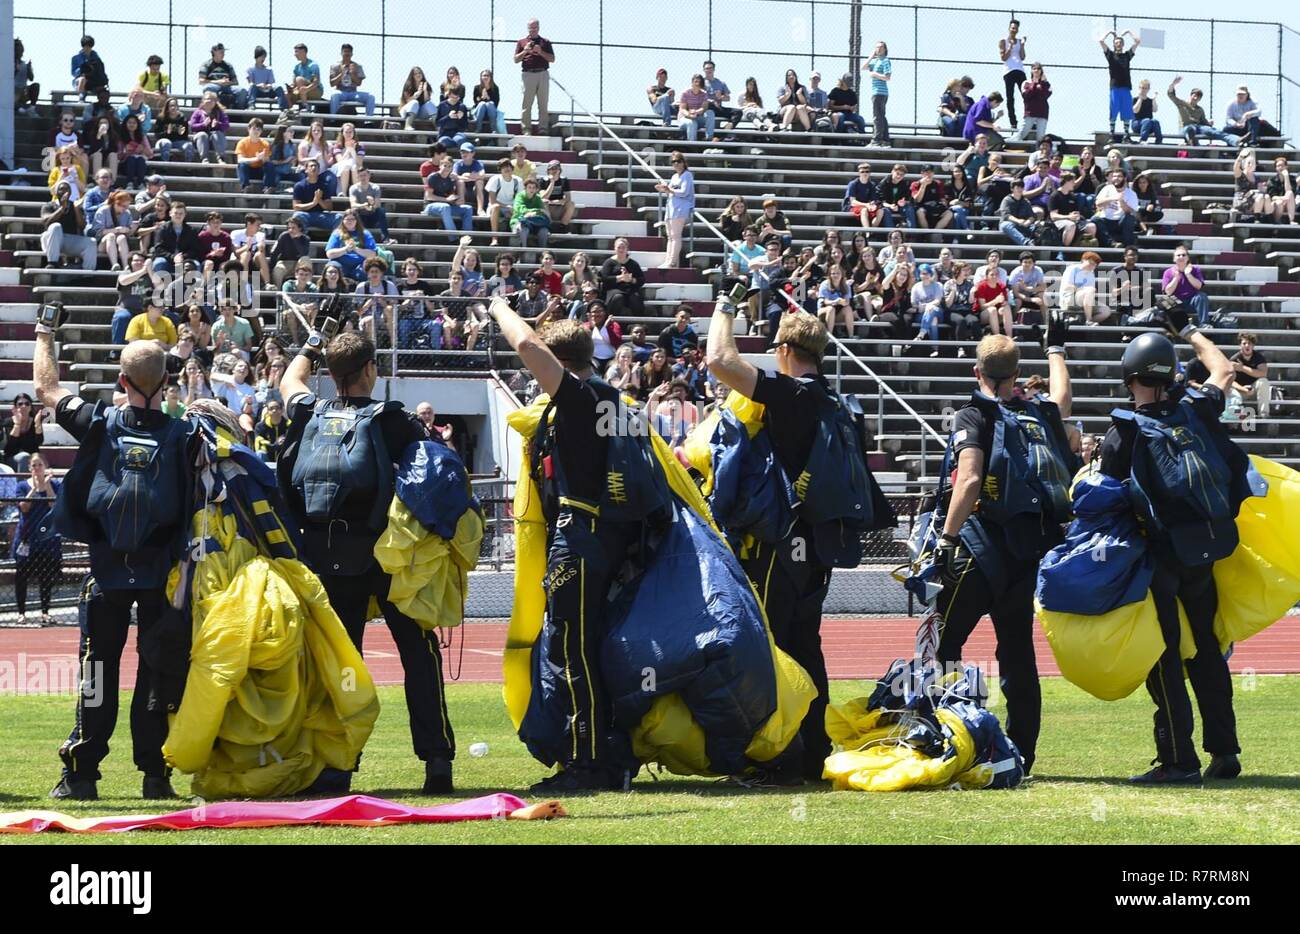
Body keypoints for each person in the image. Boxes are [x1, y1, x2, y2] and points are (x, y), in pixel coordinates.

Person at [707, 299, 888, 782]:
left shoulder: (793, 395)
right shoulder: (837, 402)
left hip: (780, 546)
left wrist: (724, 309)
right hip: (818, 547)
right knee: (805, 645)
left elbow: (719, 361)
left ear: (786, 349)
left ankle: (777, 757)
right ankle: (810, 755)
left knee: (771, 647)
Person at [485, 300, 655, 792]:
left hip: (581, 539)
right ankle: (609, 755)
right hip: (610, 538)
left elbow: (525, 345)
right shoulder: (612, 399)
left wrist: (498, 306)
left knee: (571, 649)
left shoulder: (580, 398)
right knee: (591, 649)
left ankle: (588, 764)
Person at [277, 328, 456, 794]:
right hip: (387, 561)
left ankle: (339, 767)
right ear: (371, 370)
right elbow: (435, 475)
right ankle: (436, 762)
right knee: (419, 656)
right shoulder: (391, 419)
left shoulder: (310, 410)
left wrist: (311, 344)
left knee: (342, 663)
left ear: (332, 375)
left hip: (326, 558)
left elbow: (289, 381)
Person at [36, 310, 190, 801]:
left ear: (121, 381)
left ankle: (81, 773)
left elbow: (47, 388)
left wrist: (44, 332)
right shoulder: (184, 434)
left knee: (97, 671)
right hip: (160, 572)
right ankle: (154, 774)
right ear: (166, 382)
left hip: (105, 570)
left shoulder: (98, 422)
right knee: (156, 669)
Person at [1098, 308, 1250, 784]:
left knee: (1165, 658)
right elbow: (1223, 368)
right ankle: (1224, 752)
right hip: (1203, 554)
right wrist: (1186, 328)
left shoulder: (1123, 434)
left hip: (1158, 558)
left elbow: (1103, 504)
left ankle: (1178, 759)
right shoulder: (1198, 409)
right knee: (1206, 648)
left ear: (1129, 376)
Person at [930, 322, 1076, 777]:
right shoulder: (1039, 413)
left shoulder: (974, 415)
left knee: (944, 643)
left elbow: (970, 479)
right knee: (1016, 653)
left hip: (980, 548)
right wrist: (1055, 350)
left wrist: (947, 538)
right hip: (1028, 552)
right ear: (1016, 373)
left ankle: (945, 734)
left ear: (978, 371)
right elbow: (1063, 399)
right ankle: (1022, 754)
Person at [13, 452, 63, 626]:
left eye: (39, 465)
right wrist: (34, 488)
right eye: (33, 465)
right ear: (29, 468)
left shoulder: (55, 485)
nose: (37, 468)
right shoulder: (22, 486)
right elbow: (24, 508)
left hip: (47, 538)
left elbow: (54, 506)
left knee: (46, 577)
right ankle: (21, 613)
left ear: (45, 466)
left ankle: (45, 612)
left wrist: (46, 485)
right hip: (27, 537)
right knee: (22, 576)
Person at [40, 182, 97, 271]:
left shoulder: (74, 205)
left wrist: (76, 209)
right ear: (56, 192)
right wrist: (62, 208)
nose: (64, 191)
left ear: (70, 192)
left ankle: (88, 273)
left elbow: (82, 226)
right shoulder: (49, 205)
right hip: (51, 241)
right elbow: (46, 221)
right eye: (61, 189)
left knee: (91, 242)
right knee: (56, 226)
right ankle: (52, 263)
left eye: (67, 189)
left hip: (68, 241)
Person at [515, 18, 555, 135]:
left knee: (543, 103)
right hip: (528, 74)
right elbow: (515, 59)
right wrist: (525, 51)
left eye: (535, 27)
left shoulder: (545, 42)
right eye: (530, 27)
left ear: (538, 27)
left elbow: (552, 59)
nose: (532, 30)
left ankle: (543, 129)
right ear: (527, 28)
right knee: (526, 104)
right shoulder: (521, 42)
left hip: (542, 73)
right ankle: (526, 129)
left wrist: (540, 51)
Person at [1166, 77, 1233, 146]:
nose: (1195, 98)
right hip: (1185, 128)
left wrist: (1209, 123)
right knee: (1190, 129)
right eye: (1194, 95)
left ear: (1200, 99)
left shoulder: (1200, 110)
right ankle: (1191, 141)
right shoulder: (1182, 104)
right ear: (1191, 95)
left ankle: (1235, 141)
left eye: (1198, 97)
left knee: (1214, 131)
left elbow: (1204, 122)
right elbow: (1171, 95)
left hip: (1198, 128)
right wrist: (1173, 84)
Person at [655, 151, 694, 268]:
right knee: (670, 236)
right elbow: (671, 192)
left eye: (678, 161)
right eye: (673, 162)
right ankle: (669, 260)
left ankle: (672, 262)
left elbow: (684, 192)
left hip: (681, 209)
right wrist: (663, 189)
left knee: (675, 236)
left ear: (683, 162)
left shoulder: (687, 175)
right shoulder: (674, 176)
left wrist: (669, 190)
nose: (676, 164)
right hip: (671, 208)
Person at [1100, 29, 1141, 141]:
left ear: (1123, 44)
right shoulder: (1110, 55)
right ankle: (1111, 134)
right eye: (1116, 42)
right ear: (1114, 44)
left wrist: (1128, 32)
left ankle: (1126, 135)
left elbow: (1137, 41)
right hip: (1115, 87)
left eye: (1120, 42)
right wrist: (1109, 32)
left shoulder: (1127, 56)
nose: (1118, 44)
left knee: (1126, 111)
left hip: (1126, 87)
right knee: (1114, 110)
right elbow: (1101, 41)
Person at [1059, 251, 1109, 324]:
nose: (1091, 266)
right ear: (1083, 260)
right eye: (1090, 263)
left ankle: (1088, 322)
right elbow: (1067, 286)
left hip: (1085, 299)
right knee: (1090, 290)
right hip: (1069, 298)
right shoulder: (1072, 269)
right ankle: (1088, 320)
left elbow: (1090, 292)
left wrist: (1089, 291)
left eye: (1094, 265)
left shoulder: (1091, 274)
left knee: (1105, 310)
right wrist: (1083, 289)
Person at [1093, 168, 1139, 248]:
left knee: (1129, 218)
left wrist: (1121, 201)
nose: (1116, 178)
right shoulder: (1107, 189)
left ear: (1125, 178)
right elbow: (1098, 203)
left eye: (1119, 176)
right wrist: (1112, 198)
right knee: (1095, 219)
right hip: (1106, 219)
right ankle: (1111, 243)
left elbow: (1131, 212)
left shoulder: (1131, 194)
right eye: (1114, 176)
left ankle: (1128, 246)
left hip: (1120, 221)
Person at [1230, 332, 1270, 419]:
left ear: (1253, 345)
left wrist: (1242, 368)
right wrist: (1242, 389)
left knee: (1263, 382)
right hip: (1240, 391)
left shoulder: (1259, 357)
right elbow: (1230, 380)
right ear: (1240, 345)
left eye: (1250, 343)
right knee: (1229, 390)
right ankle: (1235, 420)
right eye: (1244, 343)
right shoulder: (1234, 359)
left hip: (1254, 390)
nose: (1247, 346)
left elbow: (1263, 373)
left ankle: (1264, 415)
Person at [329, 44, 375, 116]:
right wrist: (341, 73)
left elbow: (359, 83)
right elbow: (332, 84)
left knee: (371, 97)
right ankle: (333, 119)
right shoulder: (335, 66)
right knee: (334, 96)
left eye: (349, 52)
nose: (347, 54)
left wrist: (352, 74)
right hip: (341, 92)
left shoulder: (357, 66)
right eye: (345, 51)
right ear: (341, 53)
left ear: (352, 54)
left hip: (353, 93)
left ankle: (368, 120)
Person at [198, 43, 247, 109]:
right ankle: (213, 110)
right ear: (214, 52)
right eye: (221, 51)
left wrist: (228, 82)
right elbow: (201, 81)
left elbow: (236, 82)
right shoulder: (206, 64)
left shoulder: (228, 65)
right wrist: (218, 82)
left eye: (223, 52)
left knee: (242, 91)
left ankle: (238, 111)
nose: (223, 53)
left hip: (227, 87)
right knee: (208, 88)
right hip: (214, 86)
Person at [3, 394, 44, 472]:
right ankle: (22, 484)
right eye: (20, 404)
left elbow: (39, 442)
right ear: (15, 407)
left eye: (27, 404)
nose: (24, 406)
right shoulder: (8, 422)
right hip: (12, 459)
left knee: (35, 460)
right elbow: (9, 447)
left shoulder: (35, 422)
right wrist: (17, 424)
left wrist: (37, 425)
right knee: (24, 457)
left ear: (30, 407)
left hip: (33, 460)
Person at [998, 19, 1027, 132]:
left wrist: (1023, 45)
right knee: (1010, 98)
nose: (1014, 30)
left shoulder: (1019, 41)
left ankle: (1029, 120)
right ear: (1009, 28)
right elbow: (1003, 58)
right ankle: (1013, 123)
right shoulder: (1003, 41)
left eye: (1016, 28)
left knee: (1026, 95)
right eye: (1012, 28)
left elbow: (1023, 57)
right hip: (1008, 71)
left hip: (1019, 70)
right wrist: (1009, 47)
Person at [1015, 62, 1050, 143]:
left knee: (1041, 137)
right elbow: (1027, 96)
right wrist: (1034, 83)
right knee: (1022, 133)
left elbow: (1044, 95)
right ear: (1031, 71)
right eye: (1034, 69)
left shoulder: (1046, 84)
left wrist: (1042, 83)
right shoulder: (1026, 83)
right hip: (1030, 113)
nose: (1036, 71)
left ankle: (1039, 153)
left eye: (1038, 69)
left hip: (1042, 113)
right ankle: (1008, 145)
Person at [246, 45, 288, 111]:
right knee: (252, 88)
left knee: (279, 88)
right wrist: (259, 85)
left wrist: (268, 85)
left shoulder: (269, 69)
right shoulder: (250, 69)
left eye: (264, 57)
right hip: (257, 91)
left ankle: (283, 109)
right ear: (256, 56)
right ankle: (251, 106)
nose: (263, 59)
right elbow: (251, 83)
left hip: (268, 91)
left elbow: (272, 83)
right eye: (261, 57)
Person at [678, 74, 715, 142]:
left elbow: (704, 108)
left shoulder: (704, 94)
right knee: (692, 123)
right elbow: (682, 109)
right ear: (692, 82)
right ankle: (692, 145)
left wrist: (695, 112)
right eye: (696, 81)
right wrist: (689, 114)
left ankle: (709, 138)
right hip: (685, 118)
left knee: (710, 113)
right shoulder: (685, 93)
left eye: (700, 82)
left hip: (698, 117)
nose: (697, 84)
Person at [1132, 79, 1163, 144]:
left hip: (1148, 125)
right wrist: (1140, 99)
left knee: (1155, 121)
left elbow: (1155, 110)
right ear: (1139, 88)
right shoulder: (1135, 99)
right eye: (1142, 88)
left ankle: (1159, 140)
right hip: (1137, 124)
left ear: (1148, 89)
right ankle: (1143, 140)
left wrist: (1154, 100)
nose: (1143, 90)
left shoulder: (1150, 100)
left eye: (1145, 88)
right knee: (1147, 120)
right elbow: (1135, 110)